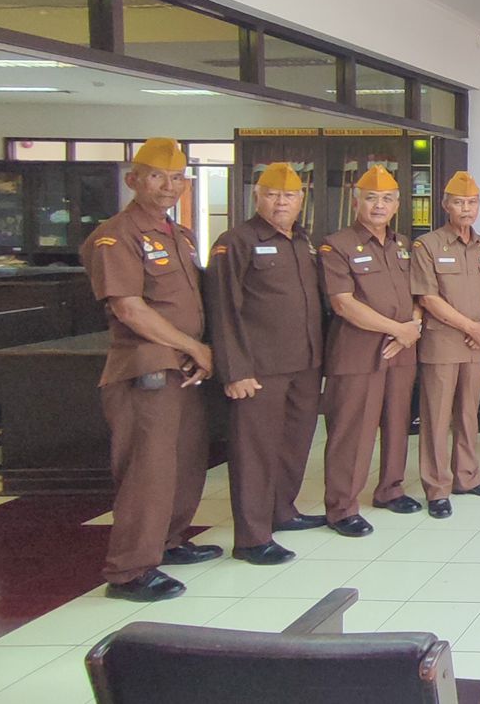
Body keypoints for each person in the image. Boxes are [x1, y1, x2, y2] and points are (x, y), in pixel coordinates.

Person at [82, 137, 217, 601]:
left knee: (184, 462)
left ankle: (169, 541)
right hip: (147, 369)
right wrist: (195, 348)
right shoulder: (115, 235)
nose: (168, 186)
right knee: (148, 470)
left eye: (177, 178)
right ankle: (129, 571)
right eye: (157, 176)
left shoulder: (178, 234)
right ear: (133, 179)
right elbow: (130, 309)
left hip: (184, 367)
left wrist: (198, 351)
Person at [205, 162, 324, 566]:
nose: (281, 202)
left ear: (301, 200)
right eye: (273, 194)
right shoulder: (236, 241)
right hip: (260, 367)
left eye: (289, 195)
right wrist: (235, 370)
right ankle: (252, 537)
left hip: (306, 363)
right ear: (257, 196)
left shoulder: (304, 242)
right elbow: (223, 310)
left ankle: (282, 511)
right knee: (254, 452)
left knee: (294, 444)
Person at [319, 165, 422, 537]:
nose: (379, 206)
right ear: (355, 200)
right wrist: (399, 329)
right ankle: (343, 506)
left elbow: (419, 294)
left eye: (387, 199)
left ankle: (391, 489)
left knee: (397, 423)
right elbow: (344, 304)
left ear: (397, 204)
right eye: (371, 198)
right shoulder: (337, 245)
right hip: (359, 352)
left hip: (402, 351)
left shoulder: (405, 245)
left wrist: (414, 327)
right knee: (354, 430)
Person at [411, 171, 480, 520]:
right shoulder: (427, 245)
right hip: (443, 343)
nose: (466, 209)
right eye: (459, 202)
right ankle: (437, 487)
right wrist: (470, 326)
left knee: (468, 414)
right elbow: (427, 296)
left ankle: (467, 476)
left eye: (472, 202)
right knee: (436, 418)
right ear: (445, 204)